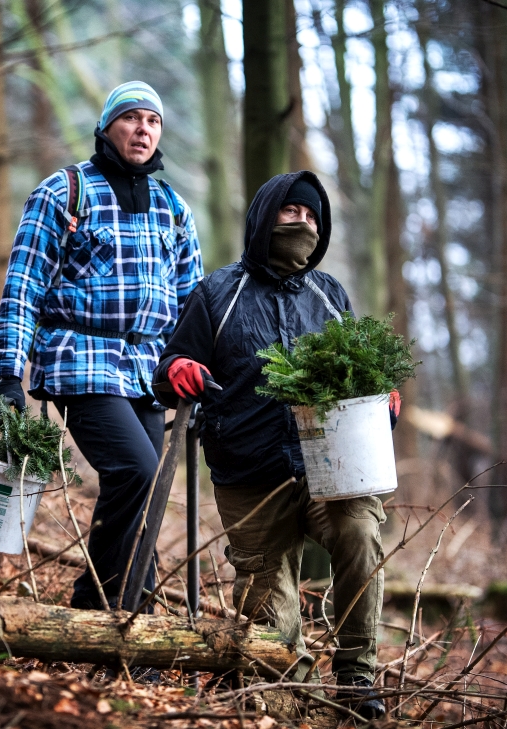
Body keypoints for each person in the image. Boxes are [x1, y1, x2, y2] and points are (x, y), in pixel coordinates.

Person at [152, 171, 387, 718]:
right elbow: (166, 370)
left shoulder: (330, 298)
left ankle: (356, 678)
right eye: (291, 212)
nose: (302, 222)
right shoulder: (218, 294)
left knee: (360, 531)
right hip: (249, 474)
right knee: (272, 624)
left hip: (332, 469)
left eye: (311, 216)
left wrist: (383, 402)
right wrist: (180, 368)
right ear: (263, 218)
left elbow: (355, 380)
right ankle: (296, 697)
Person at [0, 81, 203, 610]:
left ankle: (133, 615)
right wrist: (8, 373)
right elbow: (23, 284)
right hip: (78, 359)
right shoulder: (64, 192)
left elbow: (190, 301)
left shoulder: (172, 207)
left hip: (147, 369)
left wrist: (190, 369)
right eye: (132, 118)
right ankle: (99, 602)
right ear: (108, 126)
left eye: (152, 121)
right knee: (135, 470)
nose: (143, 129)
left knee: (146, 494)